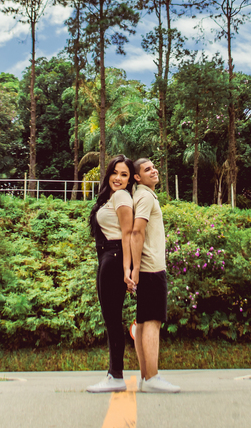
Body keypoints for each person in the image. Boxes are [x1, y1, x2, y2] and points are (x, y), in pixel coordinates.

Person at [126, 158, 180, 393]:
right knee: (152, 323)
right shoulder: (146, 197)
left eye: (154, 166)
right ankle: (153, 377)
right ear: (137, 177)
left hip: (147, 267)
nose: (153, 170)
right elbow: (137, 231)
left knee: (143, 322)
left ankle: (146, 378)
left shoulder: (142, 195)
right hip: (151, 268)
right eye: (147, 169)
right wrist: (136, 269)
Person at [85, 154, 138, 393]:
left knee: (113, 319)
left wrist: (128, 269)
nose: (118, 178)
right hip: (108, 257)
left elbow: (128, 234)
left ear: (130, 180)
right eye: (115, 172)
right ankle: (114, 374)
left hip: (115, 258)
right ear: (108, 174)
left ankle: (116, 375)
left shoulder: (121, 196)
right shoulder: (110, 198)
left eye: (124, 174)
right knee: (111, 318)